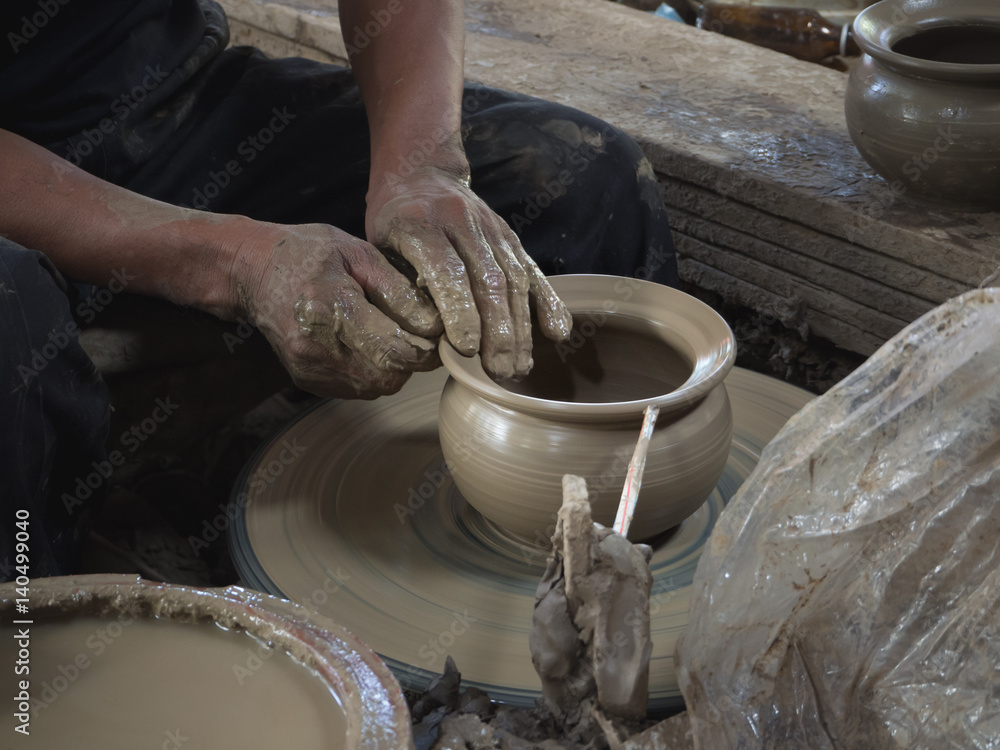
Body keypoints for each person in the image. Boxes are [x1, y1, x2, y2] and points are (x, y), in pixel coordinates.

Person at [0, 0, 679, 577]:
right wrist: (233, 260)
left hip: (164, 106)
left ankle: (602, 578)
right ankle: (45, 661)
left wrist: (423, 167)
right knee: (15, 321)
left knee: (580, 181)